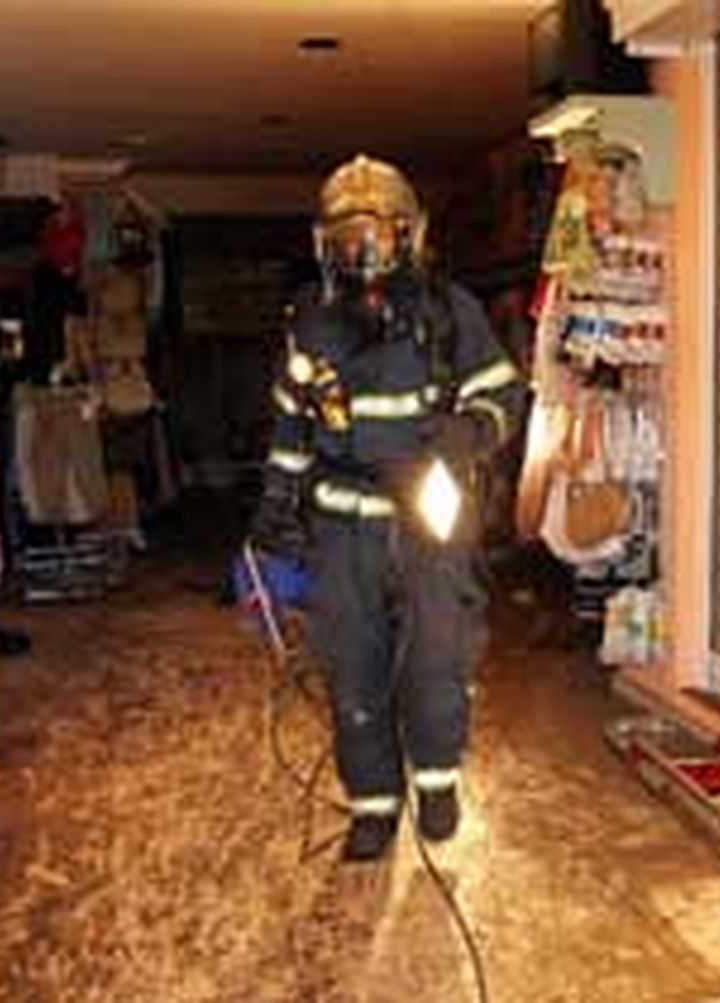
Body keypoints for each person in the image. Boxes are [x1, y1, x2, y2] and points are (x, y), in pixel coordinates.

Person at [249, 155, 525, 861]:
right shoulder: (309, 322)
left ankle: (436, 782)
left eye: (374, 234)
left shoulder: (449, 311)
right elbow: (291, 423)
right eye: (346, 237)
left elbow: (504, 392)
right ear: (325, 244)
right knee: (353, 666)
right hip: (342, 523)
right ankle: (374, 801)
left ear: (409, 235)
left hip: (429, 513)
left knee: (437, 658)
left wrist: (468, 432)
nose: (361, 251)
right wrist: (275, 507)